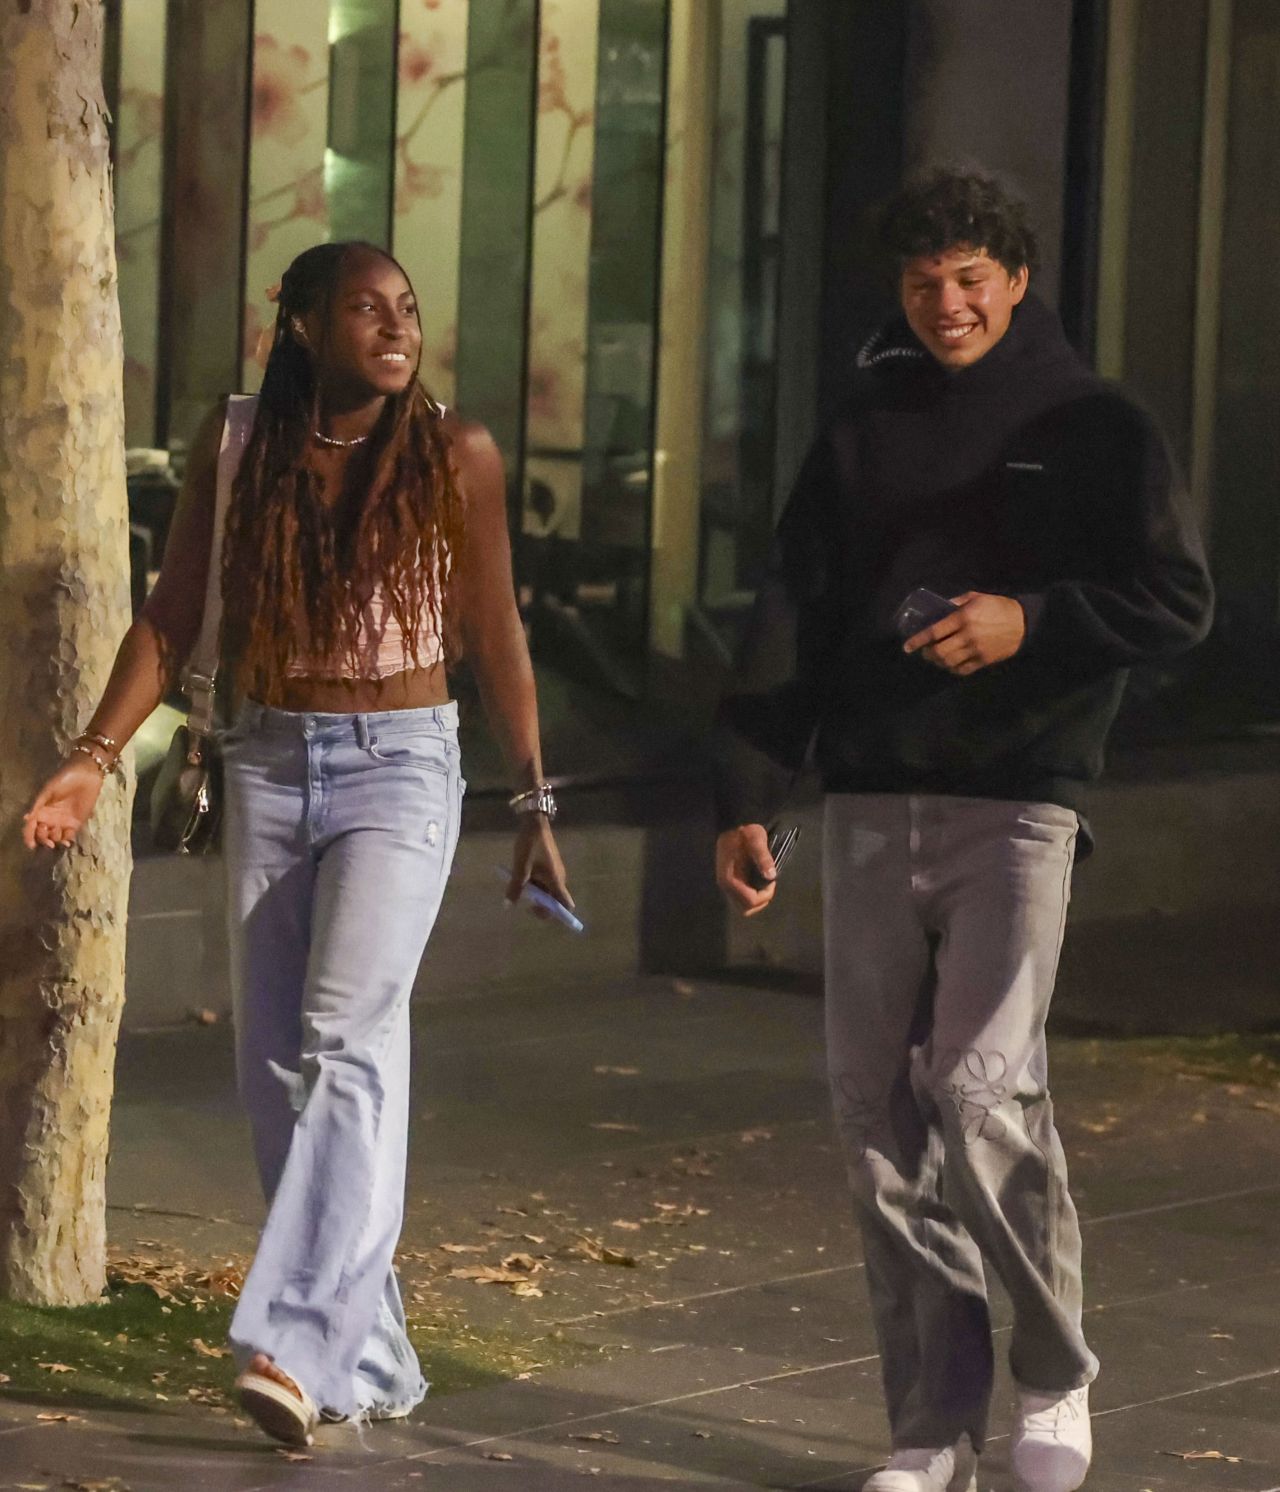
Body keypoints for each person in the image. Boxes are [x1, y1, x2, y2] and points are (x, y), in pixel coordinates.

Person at [23, 240, 573, 1446]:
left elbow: (497, 637)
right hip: (270, 761)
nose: (395, 324)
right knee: (277, 1066)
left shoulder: (453, 454)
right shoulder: (241, 445)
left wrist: (534, 804)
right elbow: (171, 619)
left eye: (408, 306)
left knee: (344, 1037)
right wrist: (94, 756)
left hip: (402, 770)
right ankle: (366, 1355)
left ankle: (291, 1340)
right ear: (305, 327)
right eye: (365, 307)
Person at [712, 170, 1213, 1492]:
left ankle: (1053, 1377)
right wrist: (750, 796)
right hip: (872, 804)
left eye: (970, 279)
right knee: (876, 1124)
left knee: (982, 1087)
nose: (947, 304)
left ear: (1017, 278)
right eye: (924, 283)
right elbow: (794, 615)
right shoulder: (864, 431)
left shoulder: (1096, 425)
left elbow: (1176, 599)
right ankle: (933, 1432)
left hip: (1021, 804)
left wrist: (1028, 624)